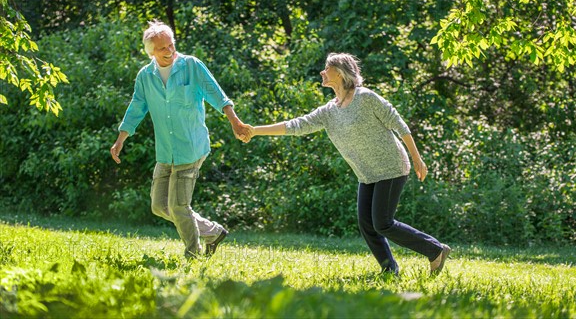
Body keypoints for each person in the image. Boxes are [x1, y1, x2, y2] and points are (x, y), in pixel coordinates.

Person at [241, 53, 451, 275]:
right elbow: (296, 125)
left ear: (340, 73)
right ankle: (390, 269)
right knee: (366, 224)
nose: (322, 72)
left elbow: (398, 123)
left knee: (383, 223)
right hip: (367, 173)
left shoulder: (365, 98)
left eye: (326, 68)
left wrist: (417, 158)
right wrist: (255, 131)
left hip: (391, 167)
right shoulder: (329, 111)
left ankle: (435, 250)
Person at [110, 20, 247, 259]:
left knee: (179, 206)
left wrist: (234, 121)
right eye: (162, 48)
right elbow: (136, 107)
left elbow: (216, 93)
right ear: (151, 51)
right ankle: (213, 232)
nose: (169, 50)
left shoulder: (191, 66)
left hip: (191, 147)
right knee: (159, 206)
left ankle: (193, 254)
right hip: (166, 151)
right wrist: (121, 137)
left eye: (171, 44)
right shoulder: (145, 76)